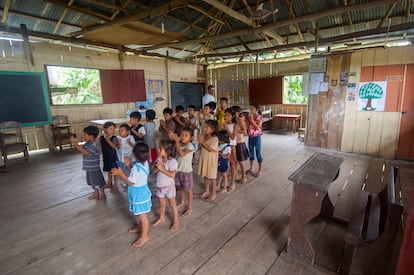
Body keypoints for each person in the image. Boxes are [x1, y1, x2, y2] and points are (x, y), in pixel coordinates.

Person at [111, 142, 152, 248]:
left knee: (142, 216)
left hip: (138, 194)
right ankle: (140, 227)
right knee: (139, 213)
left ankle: (144, 236)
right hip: (142, 191)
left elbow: (131, 181)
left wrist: (121, 174)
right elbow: (138, 176)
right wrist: (129, 165)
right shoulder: (145, 163)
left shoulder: (135, 168)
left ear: (134, 154)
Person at [70, 126, 106, 201]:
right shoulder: (87, 144)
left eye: (85, 135)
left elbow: (87, 152)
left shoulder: (94, 145)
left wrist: (76, 145)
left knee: (98, 181)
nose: (84, 136)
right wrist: (76, 144)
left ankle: (103, 193)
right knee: (92, 182)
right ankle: (96, 192)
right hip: (89, 168)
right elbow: (84, 150)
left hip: (94, 168)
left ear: (91, 136)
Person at [152, 140, 180, 232]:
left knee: (172, 204)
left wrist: (162, 168)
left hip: (169, 187)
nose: (158, 150)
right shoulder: (159, 159)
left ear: (168, 151)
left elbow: (172, 175)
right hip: (160, 186)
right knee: (162, 203)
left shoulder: (173, 162)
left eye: (161, 148)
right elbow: (154, 172)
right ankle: (162, 217)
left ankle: (176, 222)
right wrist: (156, 168)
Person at [169, 127, 195, 217]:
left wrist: (176, 141)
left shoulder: (190, 146)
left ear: (191, 138)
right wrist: (174, 138)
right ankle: (182, 201)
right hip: (178, 171)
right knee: (181, 188)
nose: (183, 137)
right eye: (182, 135)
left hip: (186, 172)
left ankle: (190, 207)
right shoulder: (179, 143)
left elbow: (182, 154)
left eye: (186, 135)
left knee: (188, 190)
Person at [198, 119, 219, 202]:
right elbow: (201, 146)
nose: (205, 129)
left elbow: (210, 149)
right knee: (206, 175)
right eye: (204, 127)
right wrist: (199, 143)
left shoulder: (215, 139)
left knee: (212, 177)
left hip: (211, 161)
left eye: (207, 127)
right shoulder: (204, 136)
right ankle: (206, 190)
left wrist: (202, 142)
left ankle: (213, 193)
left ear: (213, 129)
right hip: (205, 158)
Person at [232, 106, 249, 184]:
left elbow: (245, 131)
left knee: (240, 161)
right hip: (234, 143)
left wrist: (237, 130)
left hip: (240, 143)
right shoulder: (233, 121)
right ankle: (235, 174)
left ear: (238, 113)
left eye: (233, 112)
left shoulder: (240, 120)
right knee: (234, 160)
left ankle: (244, 177)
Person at [101, 121, 119, 192]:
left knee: (115, 172)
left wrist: (108, 140)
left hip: (113, 157)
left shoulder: (114, 137)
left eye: (113, 129)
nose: (112, 131)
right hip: (106, 157)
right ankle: (109, 183)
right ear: (105, 129)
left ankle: (115, 185)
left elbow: (114, 146)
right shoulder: (102, 137)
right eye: (110, 129)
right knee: (109, 171)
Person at [247, 102, 264, 177]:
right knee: (251, 153)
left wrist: (252, 121)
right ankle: (252, 168)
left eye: (252, 108)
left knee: (258, 153)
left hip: (257, 138)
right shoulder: (250, 117)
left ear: (257, 110)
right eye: (250, 108)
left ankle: (260, 170)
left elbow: (258, 127)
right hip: (250, 137)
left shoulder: (260, 117)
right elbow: (248, 126)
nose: (251, 110)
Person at [223, 107, 238, 190]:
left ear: (232, 116)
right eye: (225, 115)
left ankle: (232, 182)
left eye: (228, 115)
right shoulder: (224, 124)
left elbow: (232, 137)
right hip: (225, 146)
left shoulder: (235, 125)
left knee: (232, 164)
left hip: (232, 147)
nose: (226, 117)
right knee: (225, 164)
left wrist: (227, 129)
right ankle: (224, 181)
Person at [117, 124, 135, 188]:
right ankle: (124, 180)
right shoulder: (118, 138)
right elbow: (118, 148)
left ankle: (131, 179)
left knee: (131, 169)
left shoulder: (131, 137)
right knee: (123, 170)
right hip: (122, 158)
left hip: (131, 158)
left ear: (128, 132)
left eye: (122, 130)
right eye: (119, 131)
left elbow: (134, 146)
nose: (120, 132)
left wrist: (130, 143)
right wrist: (118, 143)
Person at [217, 130, 231, 194]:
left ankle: (225, 187)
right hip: (219, 161)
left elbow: (228, 156)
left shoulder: (227, 147)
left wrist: (220, 154)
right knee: (219, 173)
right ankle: (218, 185)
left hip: (224, 162)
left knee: (224, 175)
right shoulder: (220, 145)